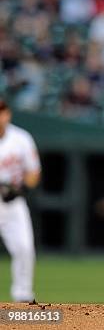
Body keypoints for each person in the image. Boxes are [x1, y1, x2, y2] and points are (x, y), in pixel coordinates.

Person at [0, 97, 41, 303]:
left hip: (12, 203)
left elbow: (33, 172)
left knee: (24, 248)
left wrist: (19, 189)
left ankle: (23, 297)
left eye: (2, 111)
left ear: (8, 114)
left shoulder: (21, 138)